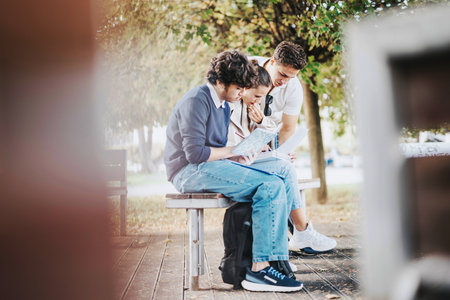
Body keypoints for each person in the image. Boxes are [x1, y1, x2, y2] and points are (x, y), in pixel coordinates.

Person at [164, 50, 303, 292]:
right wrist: (234, 150)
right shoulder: (197, 100)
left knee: (280, 173)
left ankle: (274, 260)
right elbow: (195, 154)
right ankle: (259, 270)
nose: (241, 94)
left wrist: (245, 152)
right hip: (188, 172)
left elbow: (219, 147)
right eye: (239, 88)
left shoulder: (223, 103)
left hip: (210, 165)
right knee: (270, 186)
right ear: (220, 81)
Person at [249, 43, 337, 254]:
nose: (284, 81)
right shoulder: (248, 71)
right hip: (242, 143)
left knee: (283, 165)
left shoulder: (293, 86)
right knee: (283, 170)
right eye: (282, 74)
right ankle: (301, 232)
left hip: (264, 141)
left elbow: (287, 128)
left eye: (291, 76)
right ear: (272, 61)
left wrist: (280, 151)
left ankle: (294, 236)